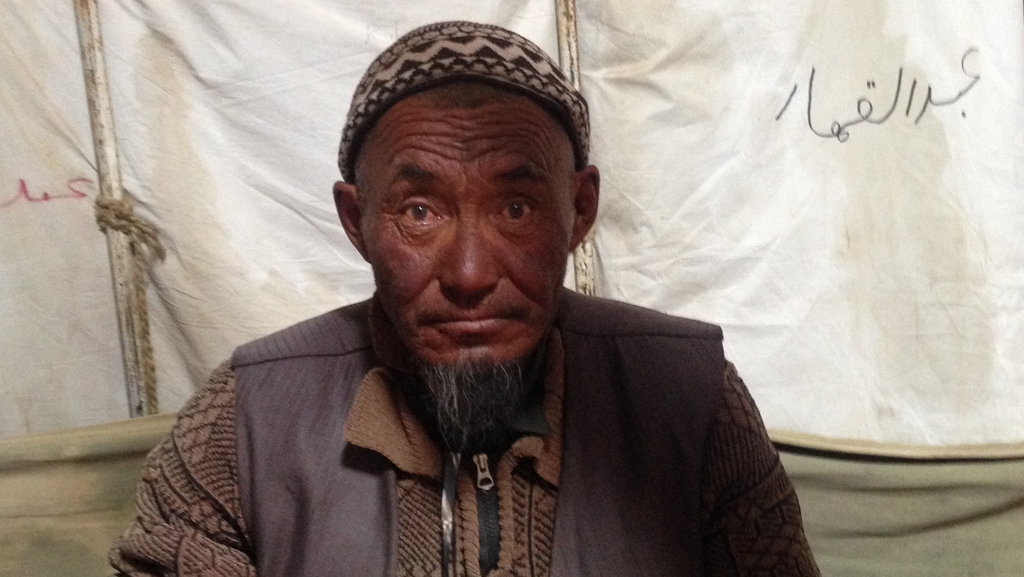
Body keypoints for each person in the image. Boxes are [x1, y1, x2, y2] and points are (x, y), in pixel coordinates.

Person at [110, 20, 820, 577]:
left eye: (516, 208)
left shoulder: (688, 400)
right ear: (357, 221)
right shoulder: (246, 423)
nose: (471, 272)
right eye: (419, 211)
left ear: (580, 208)